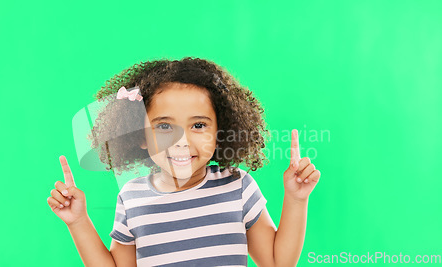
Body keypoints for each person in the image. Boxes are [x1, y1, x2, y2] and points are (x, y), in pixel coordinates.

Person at [47, 57, 321, 266]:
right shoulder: (131, 198)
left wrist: (296, 199)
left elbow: (277, 261)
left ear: (219, 131)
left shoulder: (237, 187)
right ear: (139, 135)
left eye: (199, 125)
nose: (182, 141)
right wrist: (78, 221)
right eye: (164, 127)